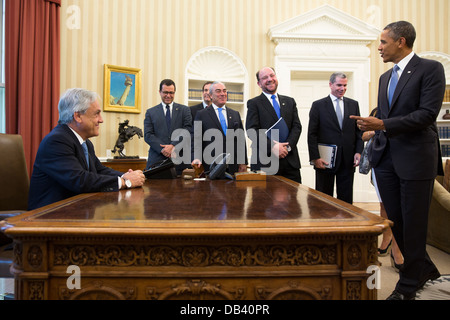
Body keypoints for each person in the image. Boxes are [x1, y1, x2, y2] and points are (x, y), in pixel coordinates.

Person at [351, 21, 446, 300]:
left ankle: (407, 284)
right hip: (386, 160)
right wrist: (372, 128)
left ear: (401, 41)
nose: (379, 47)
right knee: (397, 223)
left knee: (414, 223)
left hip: (416, 159)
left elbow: (427, 115)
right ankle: (425, 269)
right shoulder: (384, 78)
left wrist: (381, 124)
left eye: (383, 42)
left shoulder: (430, 69)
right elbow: (387, 117)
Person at [28, 88, 146, 211]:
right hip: (48, 217)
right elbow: (79, 180)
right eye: (96, 114)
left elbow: (99, 170)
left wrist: (126, 175)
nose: (101, 120)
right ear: (78, 116)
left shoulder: (85, 142)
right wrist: (124, 182)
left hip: (76, 211)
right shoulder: (56, 141)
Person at [308, 72, 363, 204]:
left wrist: (358, 152)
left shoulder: (353, 105)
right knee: (323, 199)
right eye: (339, 85)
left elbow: (358, 132)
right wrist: (315, 157)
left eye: (345, 85)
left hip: (347, 159)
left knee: (346, 199)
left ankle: (346, 223)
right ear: (330, 84)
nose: (342, 88)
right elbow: (312, 134)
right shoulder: (318, 105)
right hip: (325, 160)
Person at [362, 108, 404, 272]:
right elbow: (364, 136)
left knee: (399, 208)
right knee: (384, 206)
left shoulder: (404, 113)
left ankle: (397, 249)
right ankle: (386, 241)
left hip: (402, 161)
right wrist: (377, 129)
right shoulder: (377, 111)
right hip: (380, 164)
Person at [246, 67, 302, 183]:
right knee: (265, 200)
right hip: (265, 163)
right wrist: (273, 146)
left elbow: (297, 127)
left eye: (272, 75)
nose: (270, 79)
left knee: (294, 200)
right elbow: (252, 130)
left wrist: (287, 147)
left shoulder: (290, 102)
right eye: (265, 78)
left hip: (290, 161)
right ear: (259, 83)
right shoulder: (254, 103)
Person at [191, 81, 248, 176]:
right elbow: (196, 139)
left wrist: (243, 162)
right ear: (210, 95)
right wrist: (196, 157)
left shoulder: (235, 114)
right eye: (218, 91)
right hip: (211, 166)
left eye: (224, 91)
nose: (222, 94)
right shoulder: (201, 114)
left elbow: (241, 140)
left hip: (232, 166)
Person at [144, 79, 192, 175]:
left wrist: (173, 145)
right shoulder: (151, 112)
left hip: (180, 161)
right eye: (165, 92)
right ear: (159, 92)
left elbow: (187, 130)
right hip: (157, 161)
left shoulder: (184, 110)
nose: (168, 95)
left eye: (171, 93)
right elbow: (148, 135)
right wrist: (164, 149)